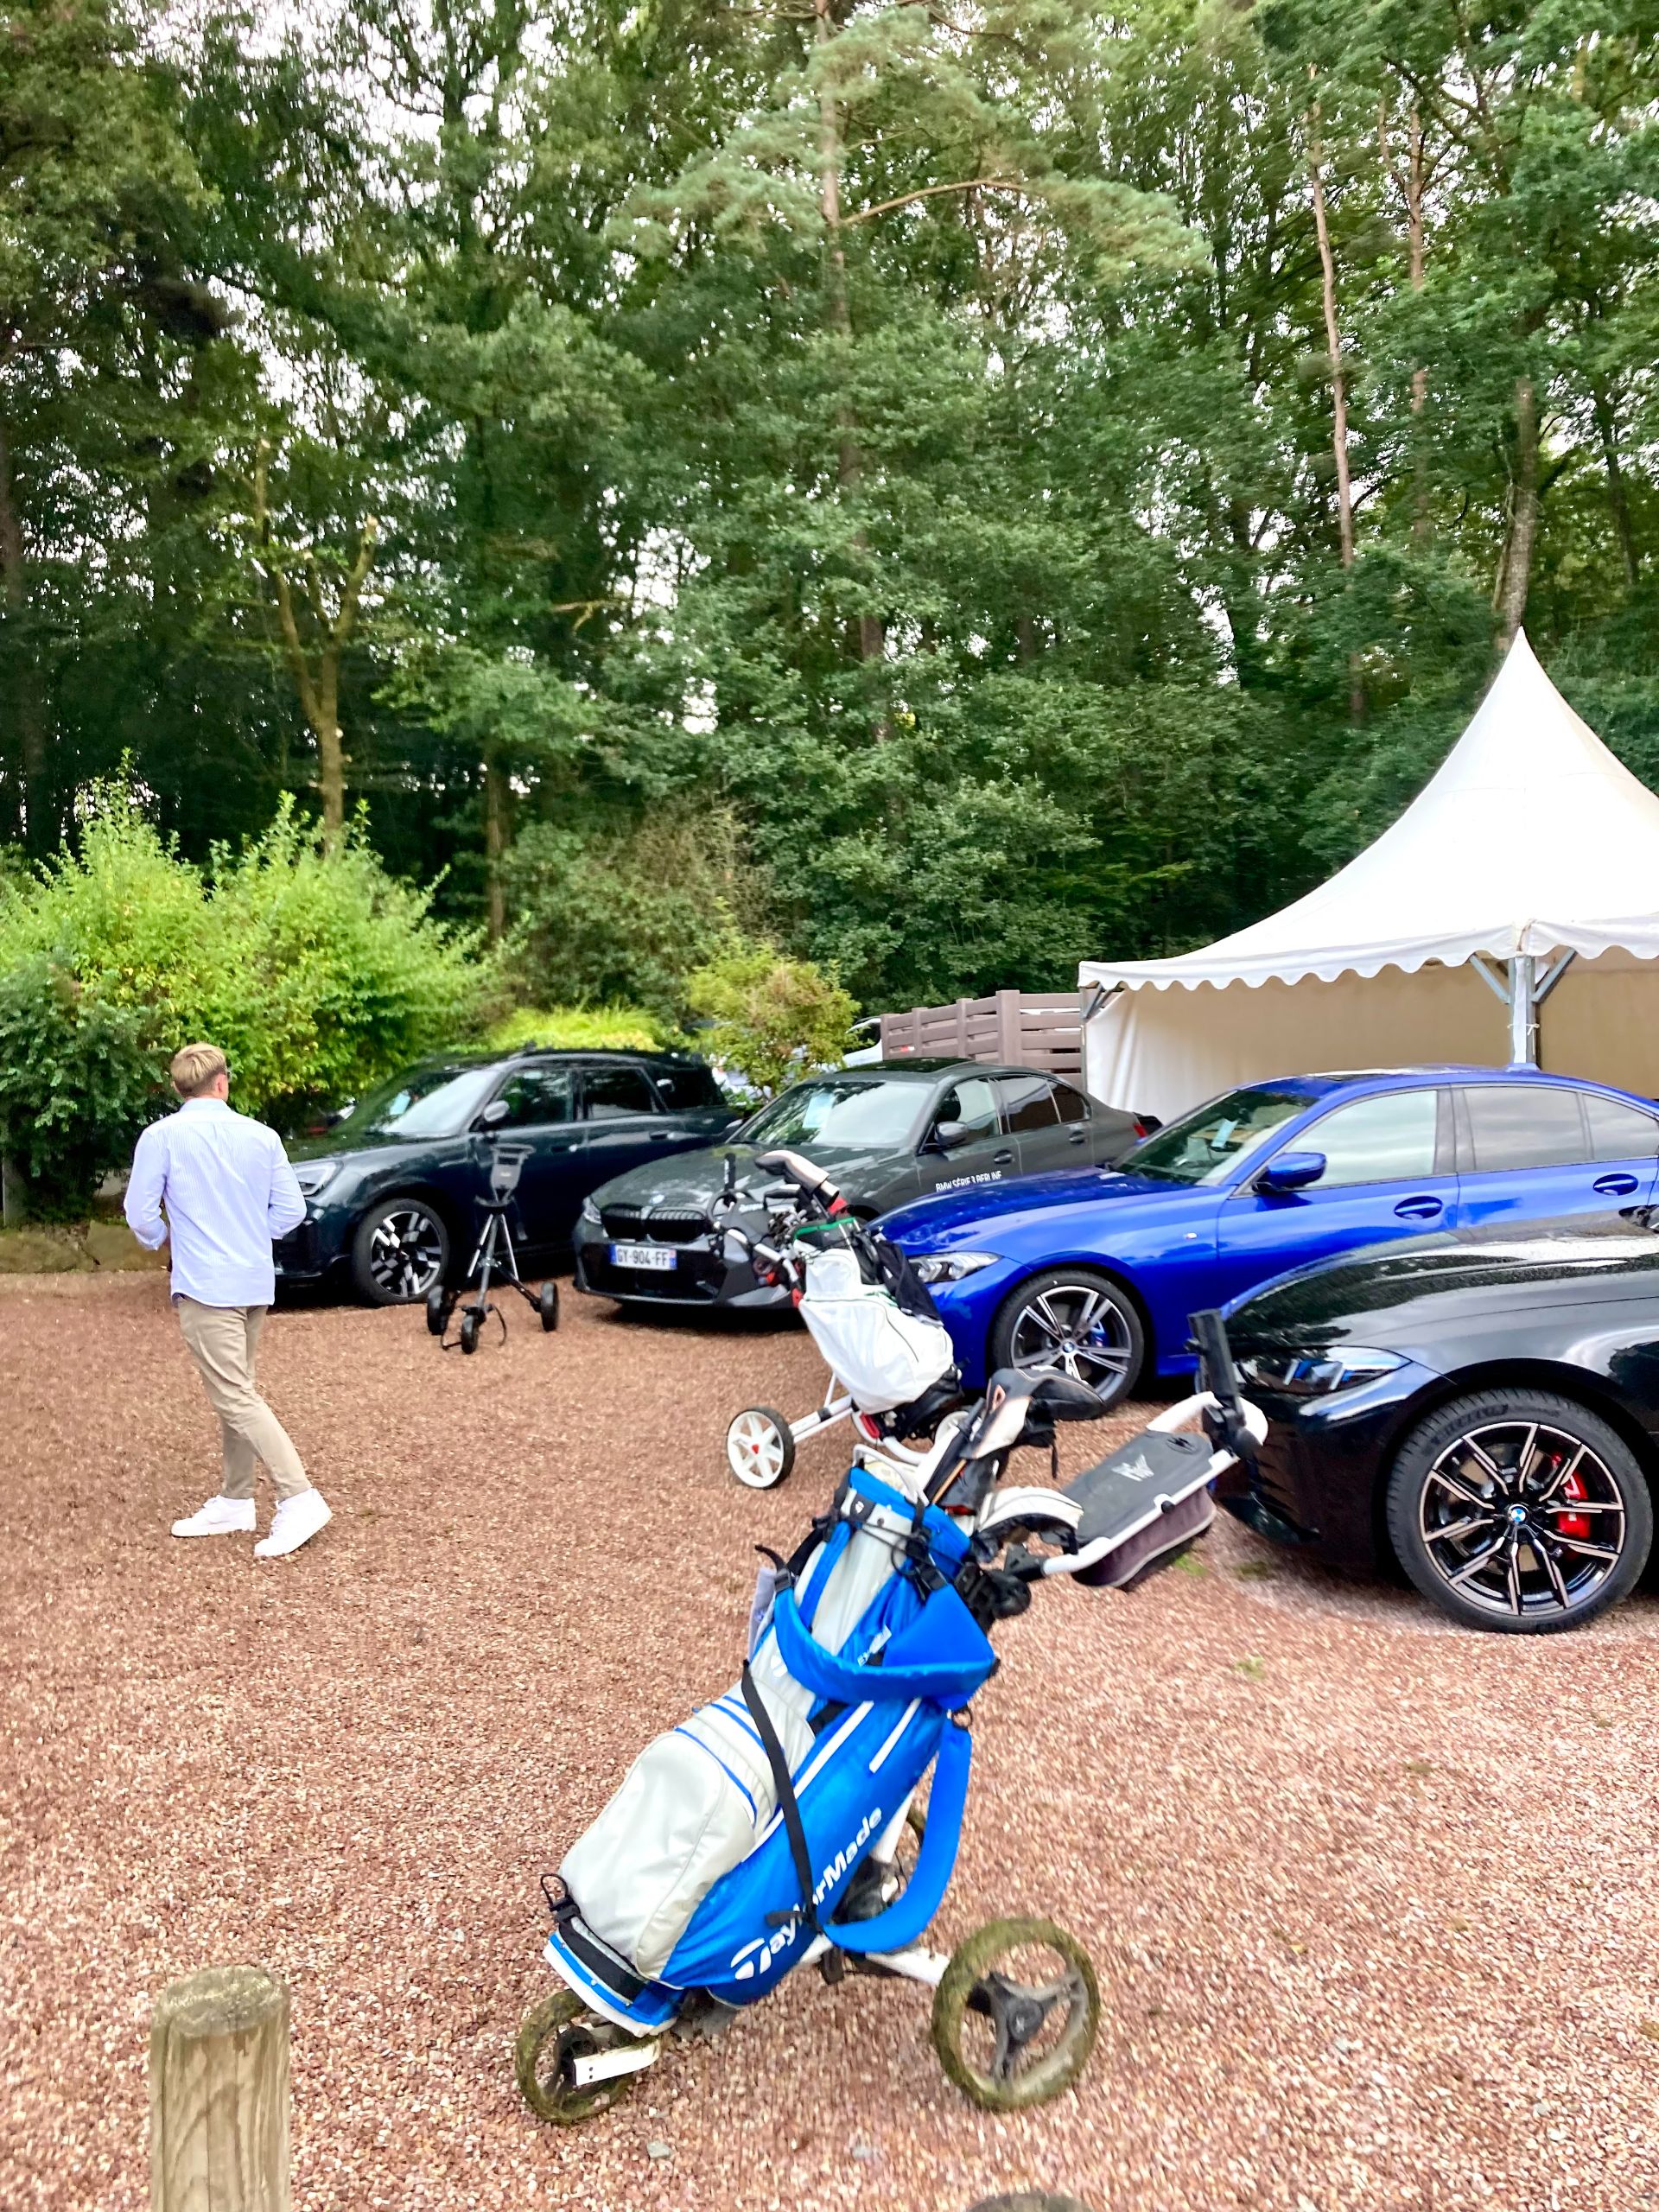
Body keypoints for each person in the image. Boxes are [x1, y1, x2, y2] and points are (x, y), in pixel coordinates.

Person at [124, 1042, 332, 1560]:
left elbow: (140, 1213)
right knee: (238, 1390)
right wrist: (250, 1235)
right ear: (222, 1082)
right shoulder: (262, 1136)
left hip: (206, 1284)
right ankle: (237, 1499)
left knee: (235, 1395)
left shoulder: (161, 1137)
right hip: (253, 1281)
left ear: (179, 1088)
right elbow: (291, 1210)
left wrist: (166, 1241)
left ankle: (299, 1497)